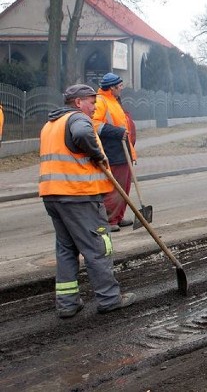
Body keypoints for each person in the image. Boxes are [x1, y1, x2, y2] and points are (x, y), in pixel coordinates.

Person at [39, 84, 135, 318]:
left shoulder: (50, 124)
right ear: (78, 102)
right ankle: (109, 299)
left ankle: (68, 303)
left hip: (53, 195)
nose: (94, 107)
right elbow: (83, 135)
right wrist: (98, 154)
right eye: (91, 102)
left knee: (66, 249)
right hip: (78, 195)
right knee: (98, 247)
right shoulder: (77, 120)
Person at [92, 72, 136, 232]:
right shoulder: (101, 101)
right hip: (113, 151)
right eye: (119, 86)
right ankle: (109, 220)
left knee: (124, 187)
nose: (122, 88)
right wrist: (116, 132)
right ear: (111, 88)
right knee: (115, 188)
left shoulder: (114, 101)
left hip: (123, 151)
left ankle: (118, 216)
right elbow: (94, 123)